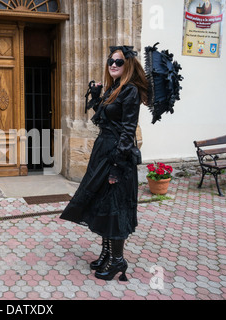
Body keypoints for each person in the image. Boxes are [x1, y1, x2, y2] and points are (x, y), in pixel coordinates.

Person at [60, 46, 149, 281]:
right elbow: (102, 120)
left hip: (117, 157)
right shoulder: (115, 89)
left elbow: (127, 131)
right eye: (111, 60)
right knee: (103, 204)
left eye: (118, 62)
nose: (113, 65)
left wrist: (117, 167)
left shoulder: (130, 92)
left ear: (128, 65)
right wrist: (99, 97)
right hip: (103, 152)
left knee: (115, 208)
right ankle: (107, 253)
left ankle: (118, 260)